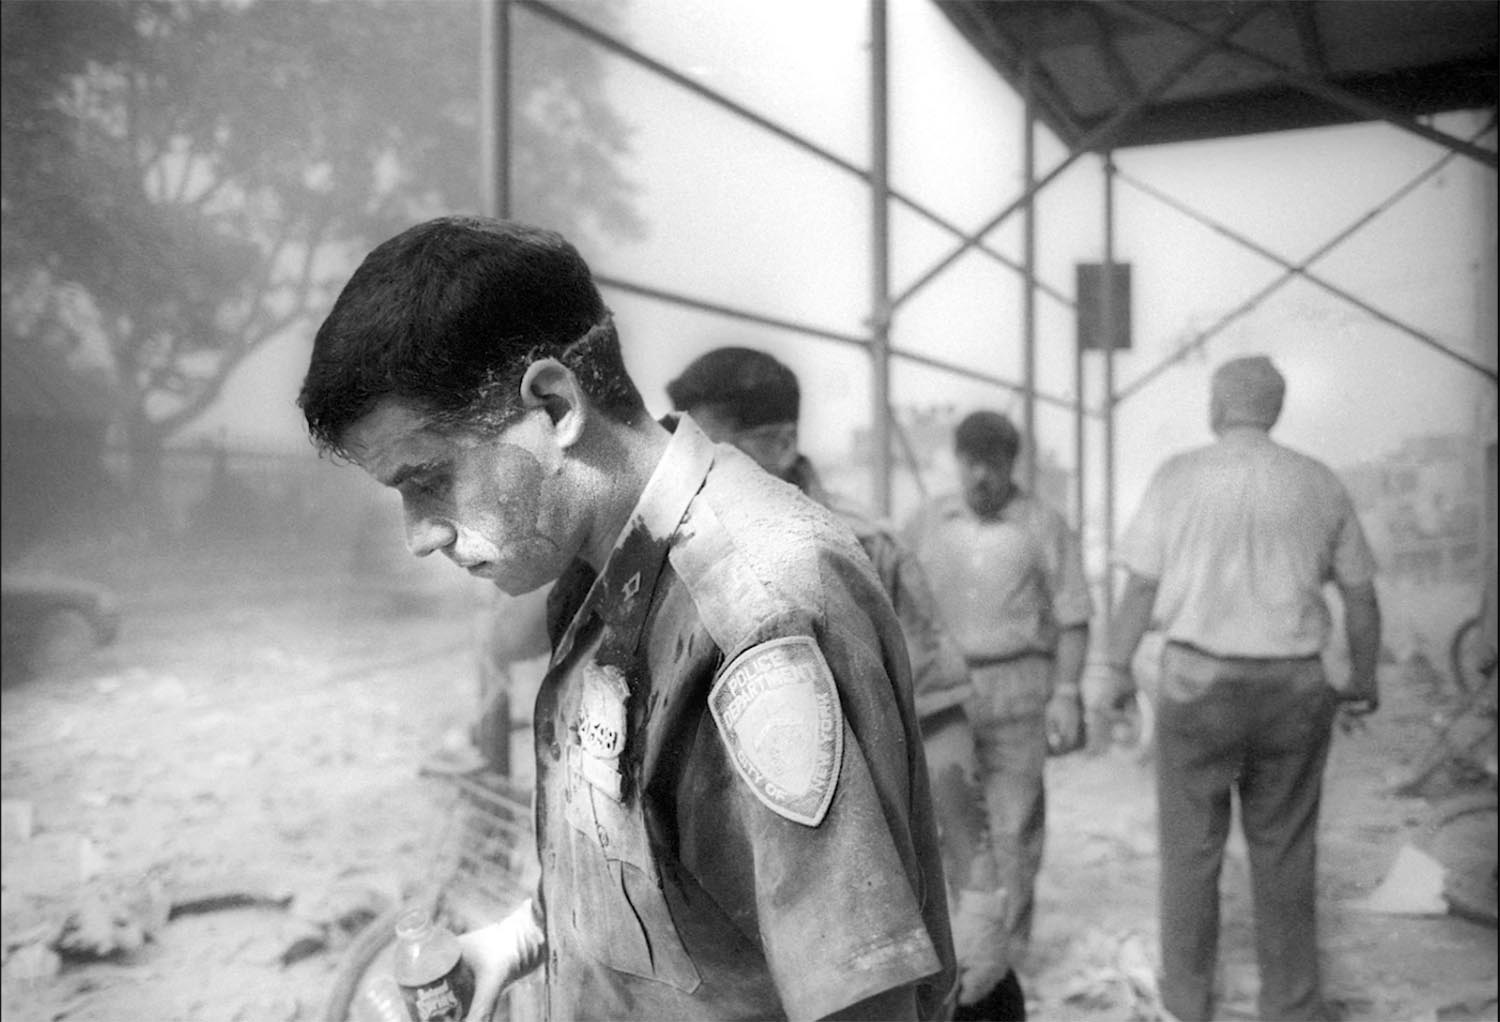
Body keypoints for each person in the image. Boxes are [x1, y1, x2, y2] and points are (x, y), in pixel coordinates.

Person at [297, 216, 956, 1021]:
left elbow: (862, 1002)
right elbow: (656, 879)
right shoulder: (600, 567)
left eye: (429, 479)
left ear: (554, 405)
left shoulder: (754, 612)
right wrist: (514, 944)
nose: (419, 536)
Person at [664, 346, 1020, 1020]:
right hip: (726, 911)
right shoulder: (675, 549)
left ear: (781, 443)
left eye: (714, 452)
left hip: (865, 898)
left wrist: (979, 898)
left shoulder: (862, 547)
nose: (693, 474)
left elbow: (941, 724)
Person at [1104, 355, 1382, 1022]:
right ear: (1276, 408)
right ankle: (1292, 1006)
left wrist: (1113, 668)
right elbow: (1361, 597)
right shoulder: (1319, 481)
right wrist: (1364, 677)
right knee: (1285, 849)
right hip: (1294, 688)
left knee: (1190, 853)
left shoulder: (1177, 477)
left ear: (1217, 406)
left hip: (1197, 686)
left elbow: (1139, 588)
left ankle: (1186, 1003)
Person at [903, 411, 1092, 979]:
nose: (981, 475)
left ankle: (1004, 968)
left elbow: (1074, 617)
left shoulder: (1044, 525)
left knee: (1013, 828)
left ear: (1013, 464)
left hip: (1017, 690)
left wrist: (1067, 693)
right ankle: (952, 959)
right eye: (971, 462)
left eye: (994, 463)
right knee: (942, 823)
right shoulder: (927, 521)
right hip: (940, 696)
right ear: (957, 461)